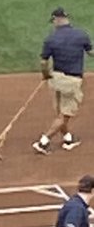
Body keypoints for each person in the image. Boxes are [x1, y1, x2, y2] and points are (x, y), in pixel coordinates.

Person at [33, 8, 92, 155]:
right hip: (72, 81)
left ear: (56, 20)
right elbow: (91, 52)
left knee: (60, 113)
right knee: (64, 115)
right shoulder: (81, 35)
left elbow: (43, 62)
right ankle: (43, 142)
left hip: (55, 79)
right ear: (66, 18)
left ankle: (68, 138)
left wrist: (45, 75)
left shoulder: (51, 39)